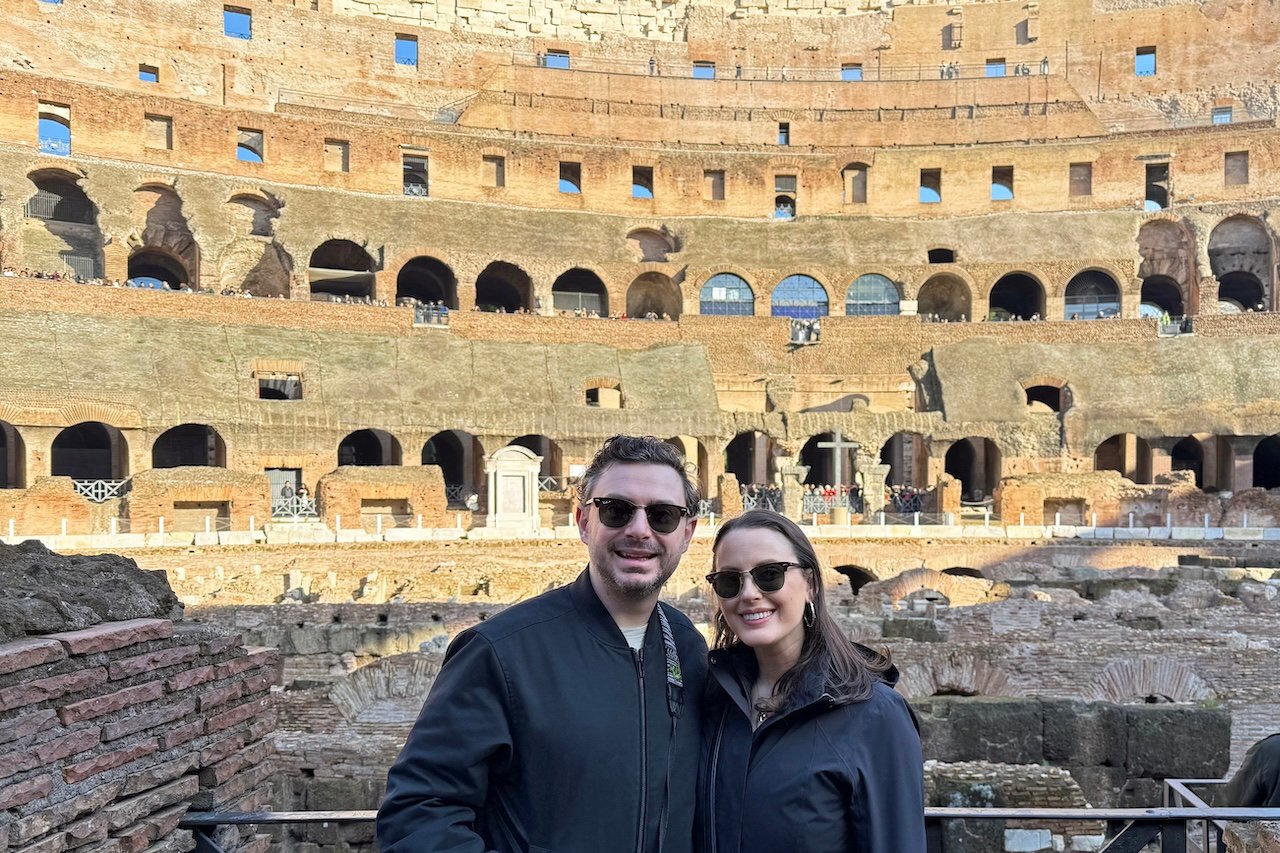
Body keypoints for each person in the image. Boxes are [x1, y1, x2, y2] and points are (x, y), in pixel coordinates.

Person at [378, 435, 708, 852]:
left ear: (687, 532)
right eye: (616, 511)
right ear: (585, 522)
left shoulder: (688, 648)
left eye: (662, 515)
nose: (639, 530)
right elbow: (417, 816)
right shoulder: (499, 652)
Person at [697, 510, 925, 853]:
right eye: (730, 581)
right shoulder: (713, 702)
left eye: (769, 575)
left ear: (811, 584)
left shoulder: (876, 716)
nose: (748, 594)